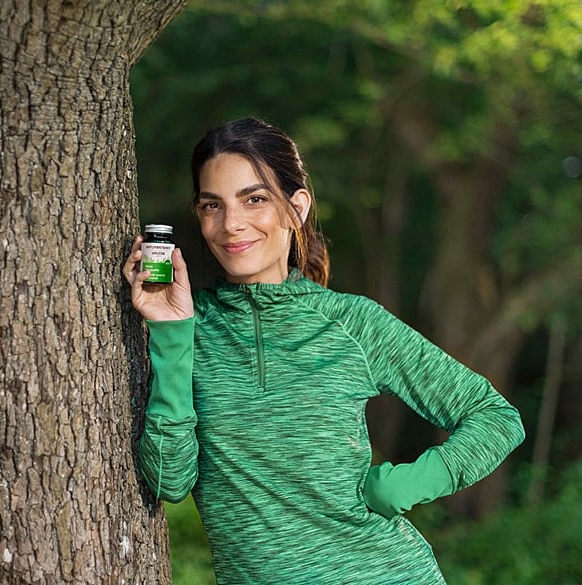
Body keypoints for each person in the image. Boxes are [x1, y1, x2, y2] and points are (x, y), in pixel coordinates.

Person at [123, 117, 525, 584]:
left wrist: (406, 484)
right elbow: (170, 480)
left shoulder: (352, 323)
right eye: (213, 205)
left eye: (255, 199)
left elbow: (495, 417)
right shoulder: (189, 328)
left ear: (296, 207)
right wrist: (172, 333)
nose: (232, 224)